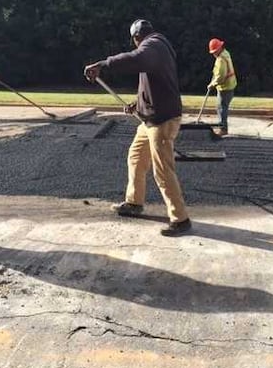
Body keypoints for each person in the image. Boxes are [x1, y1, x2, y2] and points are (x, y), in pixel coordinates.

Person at [84, 19, 192, 237]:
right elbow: (150, 82)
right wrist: (138, 103)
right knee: (136, 157)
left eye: (135, 41)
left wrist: (103, 64)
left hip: (162, 120)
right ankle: (134, 202)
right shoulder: (157, 48)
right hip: (150, 119)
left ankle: (181, 219)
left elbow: (135, 59)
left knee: (162, 170)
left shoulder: (153, 46)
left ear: (137, 37)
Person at [206, 38, 237, 136]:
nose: (213, 54)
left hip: (225, 87)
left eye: (214, 51)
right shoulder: (226, 53)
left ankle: (223, 129)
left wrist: (212, 84)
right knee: (222, 107)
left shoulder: (220, 59)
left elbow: (220, 76)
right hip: (230, 85)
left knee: (221, 108)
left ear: (219, 49)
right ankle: (223, 127)